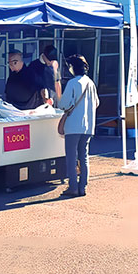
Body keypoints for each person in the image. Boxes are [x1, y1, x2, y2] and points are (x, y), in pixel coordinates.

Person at [56, 54, 99, 198]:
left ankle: (73, 187)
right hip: (88, 126)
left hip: (74, 125)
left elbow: (64, 104)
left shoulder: (73, 83)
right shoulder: (91, 83)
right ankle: (83, 187)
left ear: (73, 68)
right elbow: (97, 103)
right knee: (84, 156)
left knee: (71, 157)